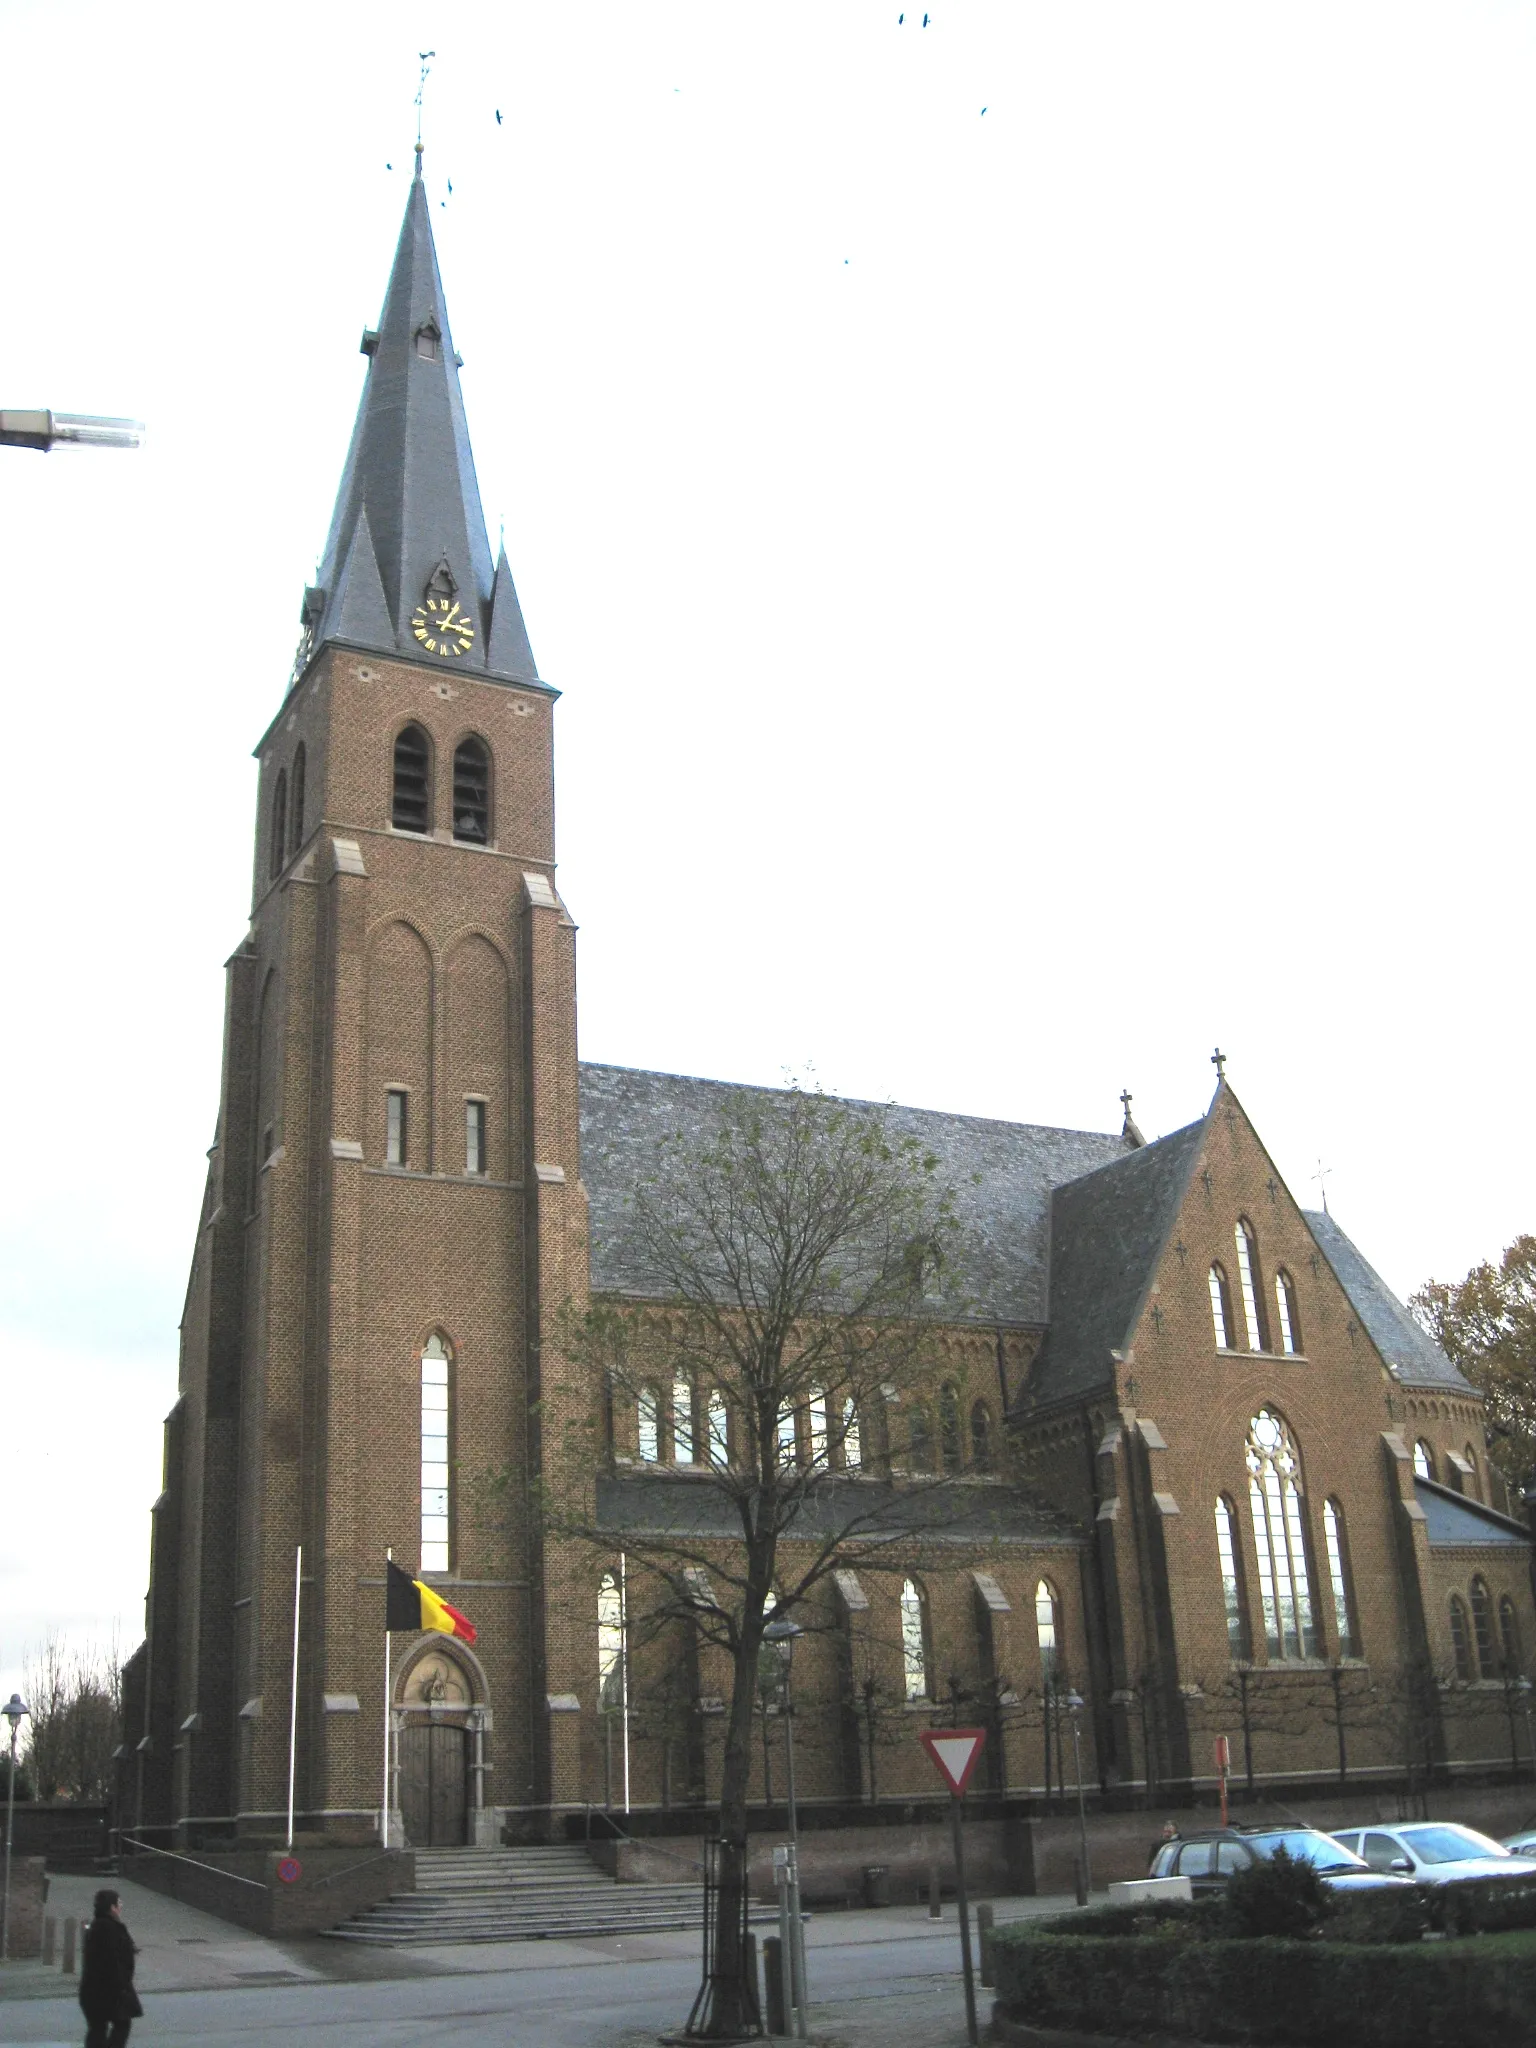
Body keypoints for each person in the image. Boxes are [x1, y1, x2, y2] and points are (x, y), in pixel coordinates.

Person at [78, 1888, 143, 2048]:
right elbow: (112, 1960)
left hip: (93, 1991)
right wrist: (122, 1986)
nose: (121, 1906)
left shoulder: (97, 1926)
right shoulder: (110, 1928)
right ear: (112, 1907)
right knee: (121, 2025)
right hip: (108, 1990)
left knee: (98, 2029)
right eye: (119, 1903)